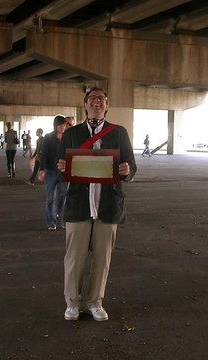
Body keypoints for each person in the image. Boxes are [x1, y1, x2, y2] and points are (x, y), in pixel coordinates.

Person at [57, 87, 137, 322]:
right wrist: (61, 169)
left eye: (100, 99)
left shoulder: (119, 133)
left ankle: (95, 302)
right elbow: (61, 168)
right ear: (85, 105)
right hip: (79, 205)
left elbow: (131, 164)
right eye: (92, 98)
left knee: (102, 259)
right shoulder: (72, 134)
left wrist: (127, 170)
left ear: (107, 105)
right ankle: (73, 303)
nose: (96, 102)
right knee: (74, 259)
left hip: (108, 206)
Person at [39, 115, 68, 231]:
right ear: (55, 126)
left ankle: (61, 218)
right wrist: (42, 169)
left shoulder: (67, 137)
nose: (62, 127)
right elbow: (44, 154)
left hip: (63, 173)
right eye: (60, 125)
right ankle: (50, 222)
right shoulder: (48, 137)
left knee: (62, 196)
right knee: (50, 198)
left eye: (64, 125)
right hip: (50, 172)